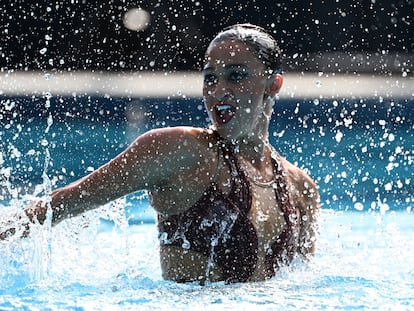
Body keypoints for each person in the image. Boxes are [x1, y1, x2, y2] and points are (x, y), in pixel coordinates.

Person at [1, 24, 319, 284]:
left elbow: (302, 287)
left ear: (273, 83)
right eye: (210, 78)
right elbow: (67, 201)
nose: (218, 90)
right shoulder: (182, 151)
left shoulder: (300, 188)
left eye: (236, 75)